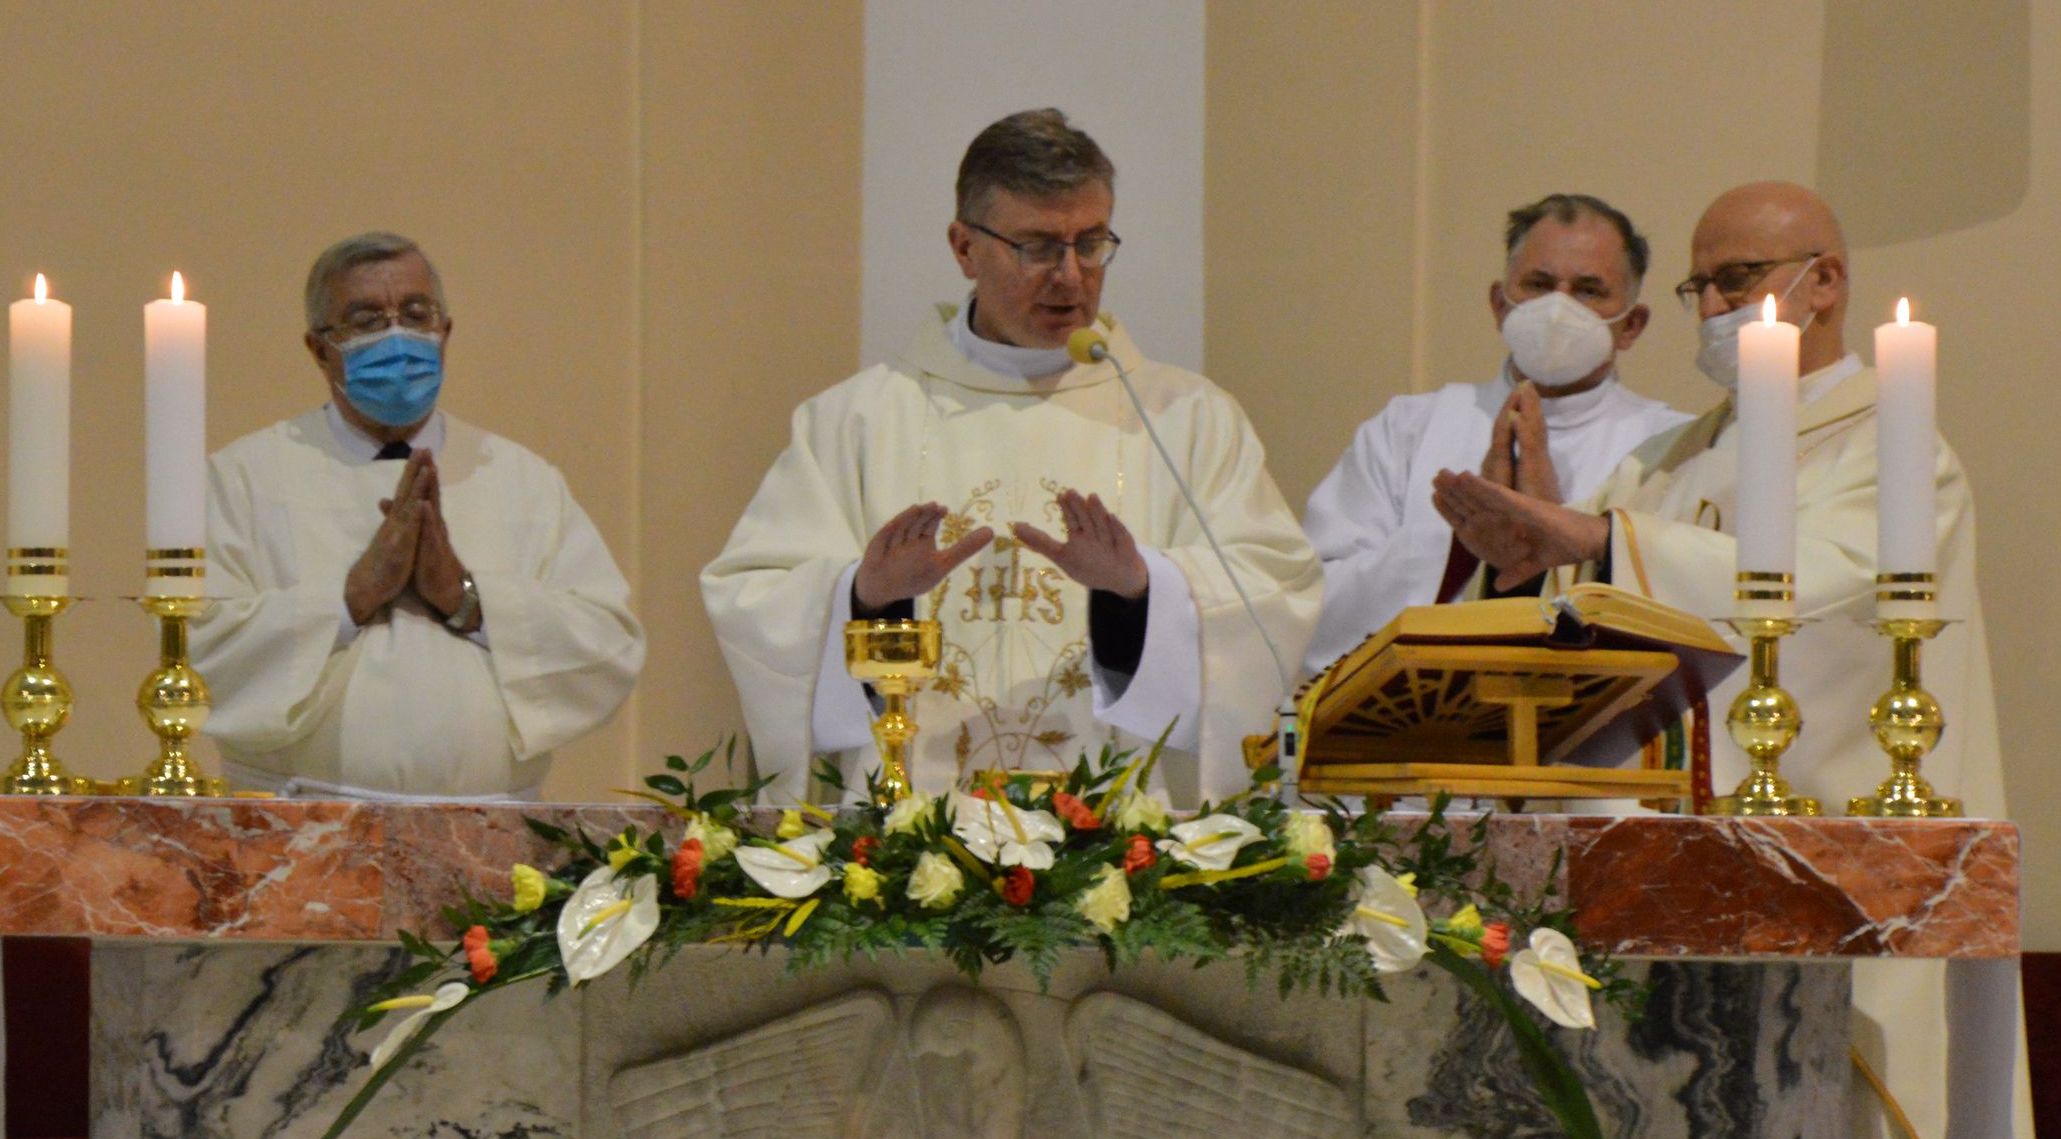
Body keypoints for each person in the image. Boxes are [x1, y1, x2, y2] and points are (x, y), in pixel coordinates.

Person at [1452, 179, 2052, 1139]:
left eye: (1744, 279)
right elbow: (1608, 637)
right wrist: (1542, 564)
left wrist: (1593, 538)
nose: (1718, 310)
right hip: (1675, 904)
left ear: (1828, 281)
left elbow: (1830, 607)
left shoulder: (1898, 451)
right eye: (1705, 285)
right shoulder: (1673, 461)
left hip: (1845, 919)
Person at [703, 109, 1318, 801]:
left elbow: (1274, 594)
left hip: (1124, 839)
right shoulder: (856, 421)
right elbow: (754, 598)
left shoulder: (1188, 420)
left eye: (1091, 244)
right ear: (964, 247)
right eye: (1037, 247)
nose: (1070, 276)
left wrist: (1141, 591)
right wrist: (867, 595)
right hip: (909, 834)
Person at [190, 233, 644, 797]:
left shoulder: (524, 480)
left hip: (490, 822)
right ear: (319, 349)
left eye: (415, 313)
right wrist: (352, 597)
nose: (397, 337)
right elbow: (199, 649)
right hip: (304, 819)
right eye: (365, 320)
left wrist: (466, 598)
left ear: (445, 332)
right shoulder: (243, 478)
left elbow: (607, 645)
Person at [1298, 192, 1690, 671]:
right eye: (1539, 284)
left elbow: (1684, 615)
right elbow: (1314, 603)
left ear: (1631, 325)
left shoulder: (1674, 446)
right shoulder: (1408, 427)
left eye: (1589, 290)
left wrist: (1558, 537)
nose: (1558, 308)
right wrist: (1462, 546)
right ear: (1500, 305)